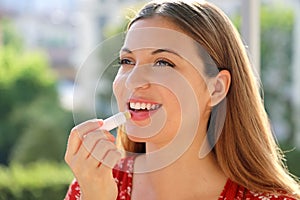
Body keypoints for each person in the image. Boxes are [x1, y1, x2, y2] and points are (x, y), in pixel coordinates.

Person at [64, 0, 300, 199]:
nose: (133, 80)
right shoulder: (92, 186)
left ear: (216, 88)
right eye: (127, 61)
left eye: (163, 63)